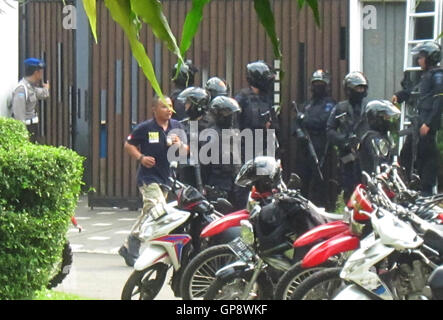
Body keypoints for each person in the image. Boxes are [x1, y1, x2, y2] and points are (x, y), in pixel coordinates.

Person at [118, 95, 188, 267]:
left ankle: (129, 245)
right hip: (149, 177)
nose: (169, 110)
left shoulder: (177, 127)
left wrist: (179, 145)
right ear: (154, 109)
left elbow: (186, 151)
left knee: (151, 212)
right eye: (164, 107)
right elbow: (128, 145)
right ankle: (133, 245)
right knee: (155, 210)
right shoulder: (145, 128)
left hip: (166, 177)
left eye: (170, 107)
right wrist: (141, 158)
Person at [393, 41, 442, 196]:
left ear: (430, 57)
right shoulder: (425, 76)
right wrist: (399, 96)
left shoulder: (438, 75)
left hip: (427, 125)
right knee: (407, 155)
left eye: (421, 57)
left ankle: (427, 192)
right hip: (418, 123)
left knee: (428, 159)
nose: (419, 60)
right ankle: (409, 189)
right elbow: (413, 91)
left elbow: (439, 101)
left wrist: (428, 123)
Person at [293, 69, 338, 211]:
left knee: (320, 183)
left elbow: (322, 121)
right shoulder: (307, 105)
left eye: (321, 83)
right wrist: (299, 131)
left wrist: (304, 119)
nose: (317, 86)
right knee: (302, 181)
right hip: (304, 149)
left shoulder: (330, 104)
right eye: (315, 83)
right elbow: (296, 123)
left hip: (321, 149)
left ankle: (322, 209)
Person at [327, 71, 369, 203]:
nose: (360, 91)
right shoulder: (340, 108)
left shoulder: (369, 108)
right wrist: (344, 141)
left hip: (366, 154)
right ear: (349, 89)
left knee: (367, 186)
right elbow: (329, 130)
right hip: (347, 155)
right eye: (357, 88)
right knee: (349, 187)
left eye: (362, 88)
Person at [201, 96, 245, 209]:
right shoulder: (210, 136)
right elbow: (204, 166)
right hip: (218, 185)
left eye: (232, 115)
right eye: (228, 115)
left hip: (235, 185)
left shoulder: (234, 134)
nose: (231, 118)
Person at [235, 60, 279, 159]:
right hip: (245, 150)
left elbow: (275, 124)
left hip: (264, 149)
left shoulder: (266, 99)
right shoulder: (242, 98)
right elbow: (234, 124)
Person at [175, 86, 211, 190]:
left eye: (188, 103)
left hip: (204, 176)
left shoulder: (209, 125)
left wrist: (185, 148)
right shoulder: (184, 123)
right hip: (185, 174)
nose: (185, 106)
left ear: (197, 105)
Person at [10, 58, 50, 142]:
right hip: (26, 128)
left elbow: (42, 94)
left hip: (33, 126)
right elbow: (19, 114)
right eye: (41, 72)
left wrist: (46, 88)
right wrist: (23, 134)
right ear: (36, 73)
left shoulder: (30, 86)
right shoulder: (21, 89)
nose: (42, 74)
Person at [359, 99, 400, 174]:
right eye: (386, 117)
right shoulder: (371, 137)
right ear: (377, 117)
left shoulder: (385, 136)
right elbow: (377, 162)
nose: (389, 120)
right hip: (372, 181)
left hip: (384, 180)